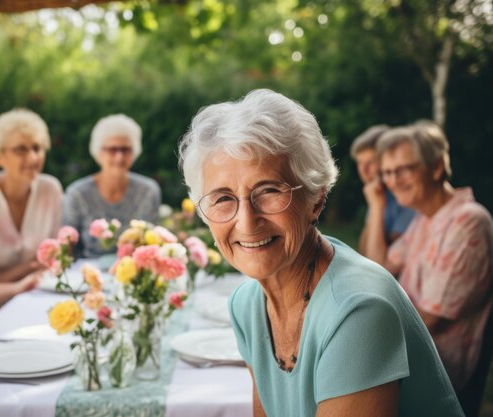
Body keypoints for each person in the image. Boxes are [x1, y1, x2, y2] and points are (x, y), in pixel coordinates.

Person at [178, 89, 463, 417]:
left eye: (269, 190)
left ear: (316, 199)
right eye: (222, 198)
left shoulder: (357, 312)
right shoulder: (245, 304)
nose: (246, 222)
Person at [366, 121, 493, 406]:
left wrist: (362, 332)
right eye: (387, 172)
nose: (392, 180)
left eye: (403, 169)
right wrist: (377, 207)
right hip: (401, 357)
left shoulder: (468, 222)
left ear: (436, 168)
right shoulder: (425, 218)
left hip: (433, 376)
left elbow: (427, 320)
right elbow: (377, 269)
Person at [0, 109, 62, 305]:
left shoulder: (50, 190)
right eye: (21, 149)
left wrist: (10, 275)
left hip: (42, 297)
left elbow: (54, 260)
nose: (33, 157)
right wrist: (26, 270)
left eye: (37, 148)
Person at [62, 114, 161, 258]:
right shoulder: (77, 194)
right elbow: (67, 249)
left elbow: (153, 243)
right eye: (112, 149)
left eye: (125, 149)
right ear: (98, 152)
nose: (119, 157)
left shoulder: (148, 191)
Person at [350, 125, 415, 257]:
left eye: (370, 162)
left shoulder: (406, 198)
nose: (363, 170)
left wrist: (376, 206)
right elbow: (363, 252)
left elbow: (377, 262)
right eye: (359, 163)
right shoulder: (378, 195)